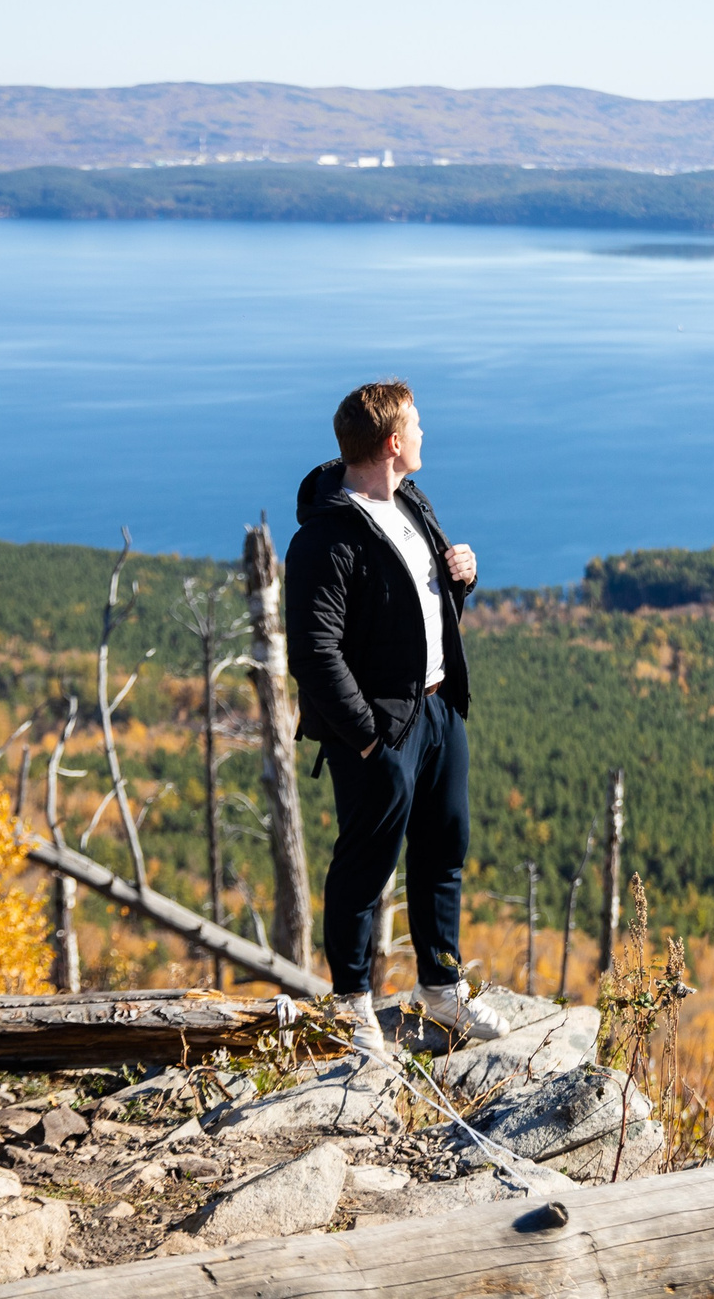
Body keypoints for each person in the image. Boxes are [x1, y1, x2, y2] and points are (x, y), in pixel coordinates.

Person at [284, 379, 507, 1056]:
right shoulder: (326, 538)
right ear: (391, 442)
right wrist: (366, 740)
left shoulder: (411, 502)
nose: (423, 433)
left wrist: (462, 576)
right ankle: (351, 1003)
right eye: (415, 425)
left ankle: (441, 988)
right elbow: (313, 653)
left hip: (438, 708)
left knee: (444, 850)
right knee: (365, 866)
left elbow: (418, 607)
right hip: (380, 731)